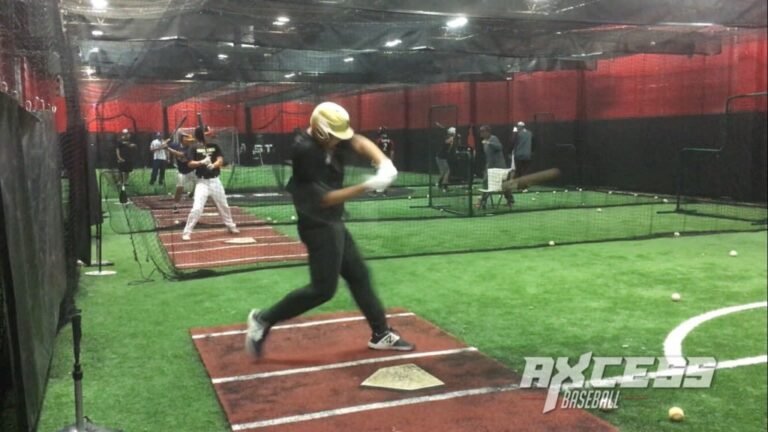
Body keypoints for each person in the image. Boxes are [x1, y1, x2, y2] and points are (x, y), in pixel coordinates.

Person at [244, 101, 414, 357]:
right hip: (317, 224)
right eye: (335, 137)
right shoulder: (305, 152)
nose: (340, 141)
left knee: (358, 274)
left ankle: (380, 333)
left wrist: (384, 163)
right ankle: (263, 319)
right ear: (322, 132)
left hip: (332, 221)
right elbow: (325, 199)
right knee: (323, 290)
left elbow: (357, 141)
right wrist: (368, 185)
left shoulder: (332, 138)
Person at [181, 127, 239, 241]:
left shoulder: (214, 146)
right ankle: (187, 232)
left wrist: (213, 165)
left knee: (224, 206)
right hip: (202, 183)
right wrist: (201, 162)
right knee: (197, 208)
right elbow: (190, 164)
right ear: (201, 134)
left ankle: (231, 226)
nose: (210, 133)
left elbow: (220, 160)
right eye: (207, 131)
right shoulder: (194, 147)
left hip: (215, 182)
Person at [478, 125, 513, 208]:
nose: (481, 134)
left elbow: (499, 147)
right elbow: (488, 156)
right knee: (485, 181)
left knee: (503, 183)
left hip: (499, 166)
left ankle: (510, 199)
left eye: (483, 132)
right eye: (480, 132)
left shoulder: (493, 138)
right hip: (490, 166)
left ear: (487, 132)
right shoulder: (484, 142)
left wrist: (489, 143)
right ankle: (483, 201)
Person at [165, 131, 196, 212]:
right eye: (186, 139)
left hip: (192, 171)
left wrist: (167, 148)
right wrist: (165, 142)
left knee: (199, 185)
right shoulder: (176, 145)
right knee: (179, 188)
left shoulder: (190, 148)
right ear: (182, 139)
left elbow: (180, 154)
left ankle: (192, 194)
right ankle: (175, 205)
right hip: (182, 172)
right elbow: (165, 144)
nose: (189, 141)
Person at [373, 127, 395, 196]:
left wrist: (374, 160)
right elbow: (392, 152)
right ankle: (385, 192)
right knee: (386, 175)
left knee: (377, 174)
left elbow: (376, 150)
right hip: (387, 160)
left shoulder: (379, 140)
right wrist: (391, 160)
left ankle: (375, 191)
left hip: (380, 159)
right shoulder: (390, 141)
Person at [436, 127, 456, 192]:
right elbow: (447, 142)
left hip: (440, 157)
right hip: (441, 157)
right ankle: (445, 187)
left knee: (443, 172)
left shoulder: (450, 138)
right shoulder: (448, 138)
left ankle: (439, 184)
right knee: (447, 171)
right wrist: (451, 137)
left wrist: (452, 137)